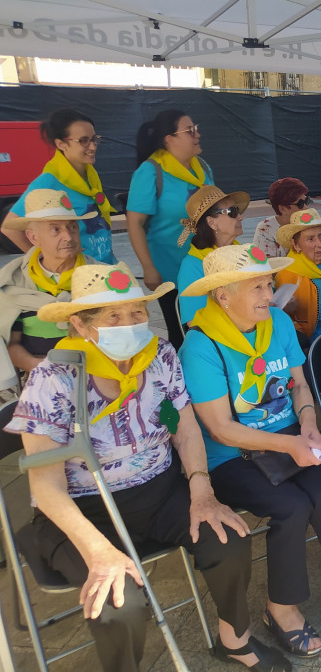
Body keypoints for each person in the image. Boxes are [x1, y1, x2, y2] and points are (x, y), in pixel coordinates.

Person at [3, 262, 288, 672]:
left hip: (158, 490)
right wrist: (99, 551)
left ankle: (234, 640)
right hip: (84, 510)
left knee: (228, 540)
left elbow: (182, 427)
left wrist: (201, 491)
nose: (131, 323)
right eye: (113, 316)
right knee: (119, 604)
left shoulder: (160, 357)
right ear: (81, 325)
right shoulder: (54, 378)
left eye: (137, 311)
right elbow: (46, 486)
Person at [178, 243, 321, 656]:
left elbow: (300, 384)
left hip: (290, 437)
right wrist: (291, 443)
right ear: (222, 295)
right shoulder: (201, 345)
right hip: (234, 458)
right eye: (257, 287)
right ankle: (280, 608)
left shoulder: (279, 323)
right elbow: (221, 429)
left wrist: (306, 423)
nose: (269, 294)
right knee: (291, 506)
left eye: (268, 283)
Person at [125, 109, 213, 349]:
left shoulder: (202, 168)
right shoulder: (150, 171)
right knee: (184, 334)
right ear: (169, 138)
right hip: (171, 271)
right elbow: (134, 223)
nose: (198, 134)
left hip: (206, 266)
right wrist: (148, 267)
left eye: (195, 128)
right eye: (190, 130)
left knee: (213, 330)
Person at [0, 189, 97, 374]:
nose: (68, 237)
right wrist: (40, 368)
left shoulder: (99, 275)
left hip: (97, 372)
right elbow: (9, 343)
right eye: (55, 230)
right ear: (33, 237)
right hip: (41, 375)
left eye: (72, 227)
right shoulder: (14, 282)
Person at [2, 108, 116, 264]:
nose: (93, 146)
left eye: (94, 138)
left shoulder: (90, 175)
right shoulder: (49, 181)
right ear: (61, 144)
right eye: (83, 140)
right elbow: (9, 227)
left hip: (104, 266)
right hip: (76, 276)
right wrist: (45, 259)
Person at [273, 208, 321, 341]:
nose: (319, 244)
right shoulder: (287, 274)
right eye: (310, 239)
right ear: (296, 244)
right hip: (314, 341)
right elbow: (279, 319)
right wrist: (287, 310)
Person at [176, 185, 249, 325]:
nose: (241, 217)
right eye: (232, 212)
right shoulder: (193, 265)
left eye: (237, 211)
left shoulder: (243, 252)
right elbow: (195, 323)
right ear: (212, 222)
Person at [252, 177, 312, 259]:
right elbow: (265, 265)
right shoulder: (266, 229)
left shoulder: (311, 220)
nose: (306, 207)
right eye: (300, 204)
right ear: (283, 209)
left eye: (306, 201)